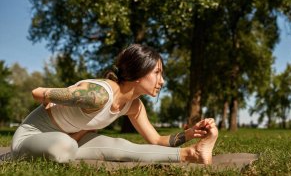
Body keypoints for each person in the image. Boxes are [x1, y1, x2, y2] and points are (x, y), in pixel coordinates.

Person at [11, 44, 218, 164]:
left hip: (70, 139)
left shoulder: (134, 106)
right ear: (138, 74)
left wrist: (190, 134)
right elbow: (37, 93)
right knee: (65, 146)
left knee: (121, 146)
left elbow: (156, 139)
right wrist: (49, 97)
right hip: (32, 136)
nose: (162, 81)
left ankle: (193, 154)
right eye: (157, 73)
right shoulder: (98, 94)